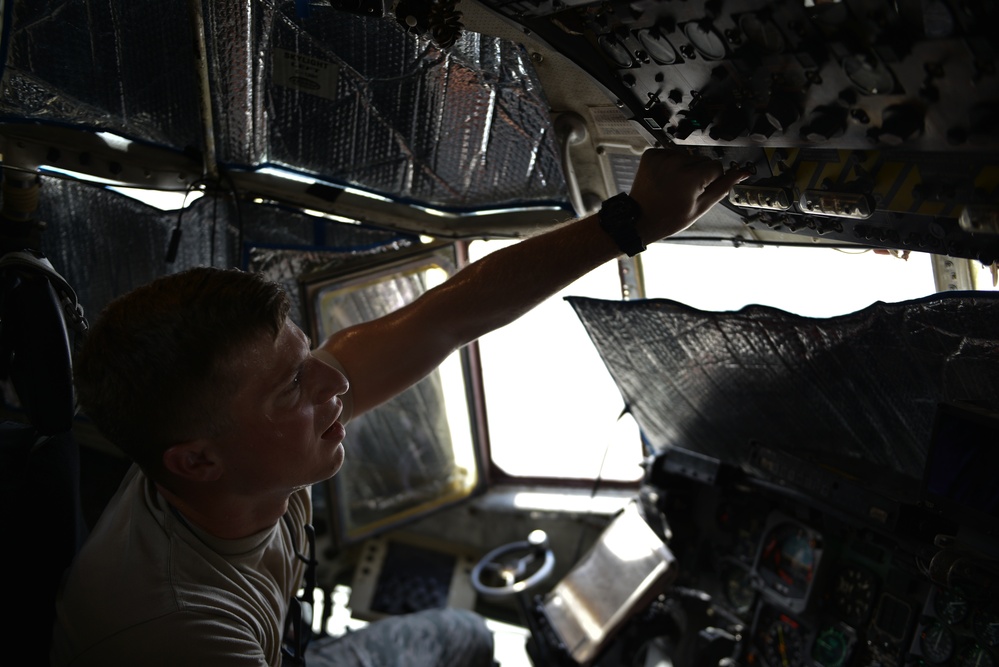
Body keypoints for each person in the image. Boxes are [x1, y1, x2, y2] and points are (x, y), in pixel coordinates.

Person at [49, 147, 747, 666]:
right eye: (293, 385)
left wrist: (630, 222)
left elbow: (443, 317)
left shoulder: (233, 455)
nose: (335, 384)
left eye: (307, 355)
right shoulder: (174, 630)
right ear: (196, 459)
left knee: (465, 635)